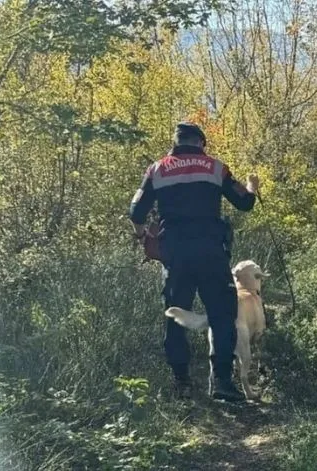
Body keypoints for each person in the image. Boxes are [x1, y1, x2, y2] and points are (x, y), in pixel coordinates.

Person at [129, 122, 259, 401]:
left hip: (175, 254)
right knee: (223, 315)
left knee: (176, 313)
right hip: (211, 252)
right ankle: (222, 383)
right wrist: (252, 186)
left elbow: (136, 210)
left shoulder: (157, 169)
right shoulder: (214, 167)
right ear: (201, 143)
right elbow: (245, 202)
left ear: (175, 142)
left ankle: (182, 382)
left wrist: (142, 236)